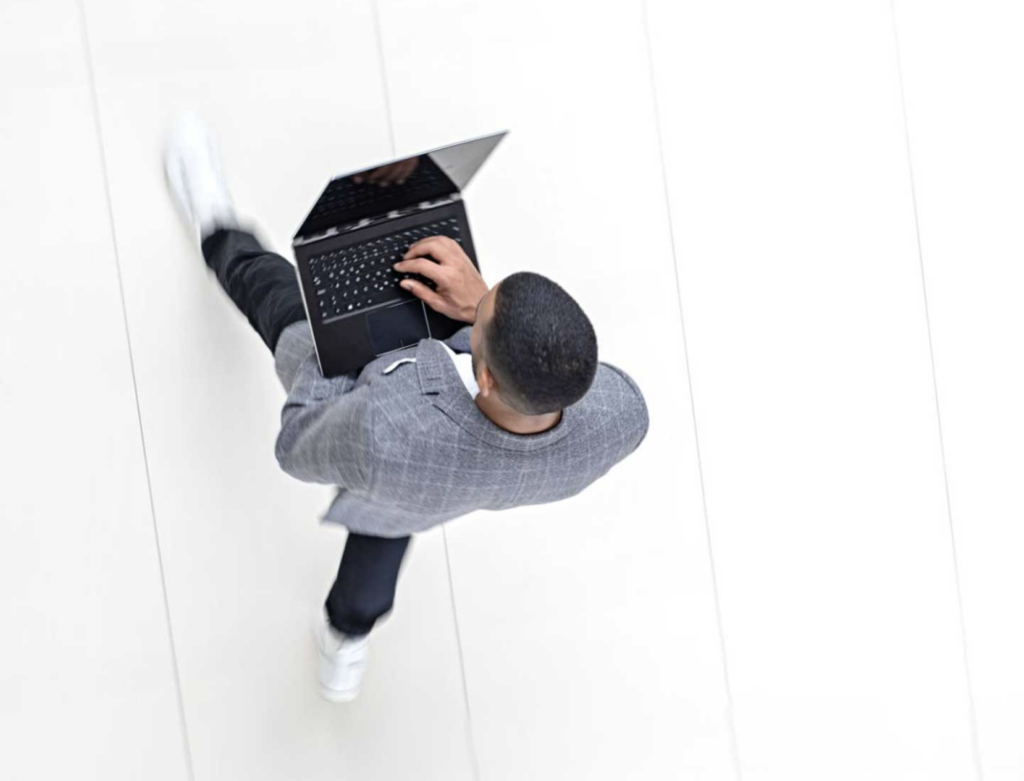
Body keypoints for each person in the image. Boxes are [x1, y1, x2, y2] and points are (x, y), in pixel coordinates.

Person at [163, 112, 649, 703]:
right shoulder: (622, 416)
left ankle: (218, 229)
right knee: (379, 554)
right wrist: (476, 309)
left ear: (486, 375)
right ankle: (345, 640)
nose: (477, 294)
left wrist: (336, 335)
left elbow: (296, 444)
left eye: (482, 310)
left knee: (267, 286)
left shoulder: (388, 436)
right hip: (428, 491)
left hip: (374, 410)